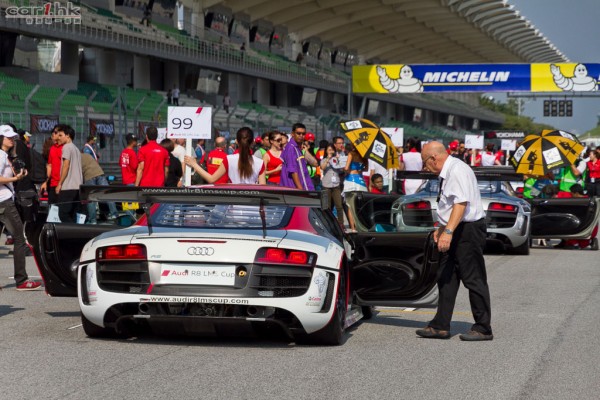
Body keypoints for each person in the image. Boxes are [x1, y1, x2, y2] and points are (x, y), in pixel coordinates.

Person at [416, 141, 492, 341]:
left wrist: (448, 231)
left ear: (434, 158)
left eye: (425, 162)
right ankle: (441, 325)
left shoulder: (457, 170)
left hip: (467, 230)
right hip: (456, 227)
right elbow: (450, 204)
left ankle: (483, 327)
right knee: (446, 277)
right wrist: (442, 227)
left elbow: (460, 204)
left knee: (473, 278)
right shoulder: (449, 171)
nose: (425, 167)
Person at [0, 126, 42, 290]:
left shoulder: (6, 156)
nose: (12, 139)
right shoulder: (1, 155)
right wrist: (16, 177)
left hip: (4, 200)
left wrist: (18, 176)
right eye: (8, 137)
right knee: (19, 238)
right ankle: (22, 280)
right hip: (4, 202)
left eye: (13, 137)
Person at [184, 127, 266, 184]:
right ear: (252, 142)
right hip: (253, 206)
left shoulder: (229, 159)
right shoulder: (260, 162)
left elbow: (211, 179)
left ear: (236, 141)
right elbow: (263, 188)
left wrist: (194, 164)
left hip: (234, 206)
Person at [55, 125, 83, 223]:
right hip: (77, 186)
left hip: (68, 186)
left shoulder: (66, 147)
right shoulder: (76, 149)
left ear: (68, 135)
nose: (58, 138)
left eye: (61, 135)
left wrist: (60, 183)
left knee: (62, 213)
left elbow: (66, 166)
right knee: (73, 213)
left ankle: (70, 233)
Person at [81, 153, 119, 223]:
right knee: (107, 194)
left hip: (89, 176)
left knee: (91, 198)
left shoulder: (76, 158)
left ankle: (93, 220)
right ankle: (114, 214)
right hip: (100, 173)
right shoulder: (87, 155)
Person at [279, 123, 314, 190]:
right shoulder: (291, 148)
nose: (301, 136)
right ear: (292, 134)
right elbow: (293, 171)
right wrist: (300, 189)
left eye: (303, 134)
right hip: (294, 188)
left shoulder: (297, 147)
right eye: (298, 133)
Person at [320, 143, 345, 226]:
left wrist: (339, 160)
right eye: (329, 150)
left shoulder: (336, 159)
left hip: (336, 185)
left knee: (339, 206)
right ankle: (328, 224)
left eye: (332, 150)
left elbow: (342, 170)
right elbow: (322, 167)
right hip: (326, 185)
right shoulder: (324, 160)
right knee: (328, 206)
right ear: (326, 151)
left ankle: (341, 224)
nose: (331, 151)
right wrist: (328, 159)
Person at [40, 125, 63, 205]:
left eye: (56, 132)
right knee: (53, 211)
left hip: (64, 185)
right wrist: (45, 181)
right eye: (53, 132)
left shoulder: (66, 148)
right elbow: (50, 166)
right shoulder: (53, 148)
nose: (53, 134)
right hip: (53, 184)